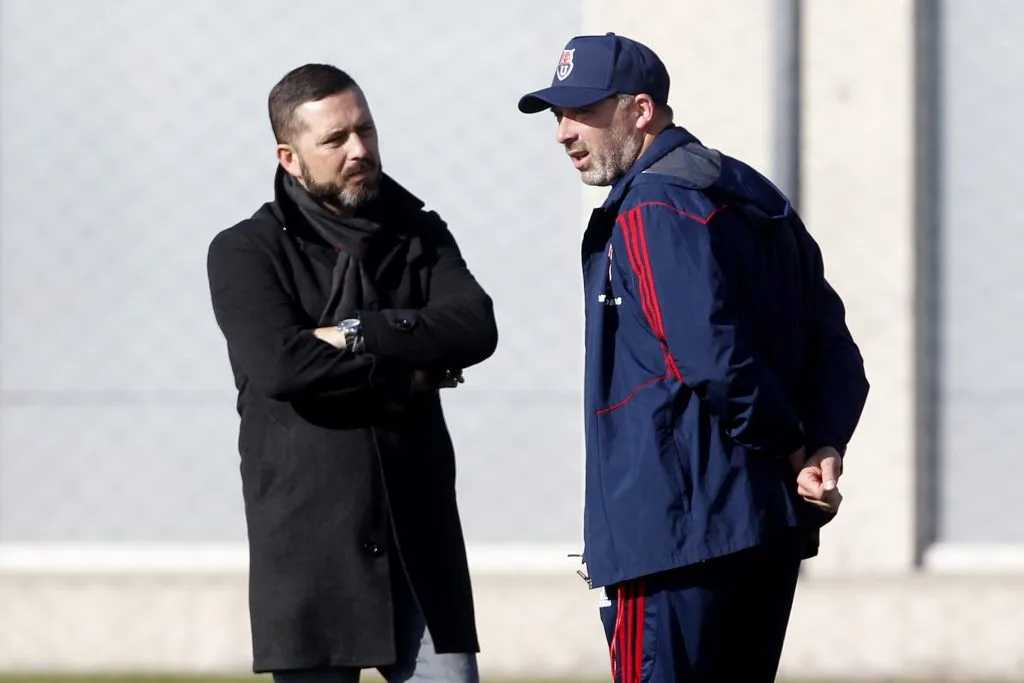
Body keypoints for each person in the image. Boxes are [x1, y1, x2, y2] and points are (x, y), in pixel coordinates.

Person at [518, 33, 869, 682]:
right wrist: (823, 445)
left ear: (641, 110)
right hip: (763, 525)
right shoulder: (751, 194)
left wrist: (796, 446)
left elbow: (710, 356)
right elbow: (837, 351)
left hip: (674, 532)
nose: (564, 132)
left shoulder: (652, 204)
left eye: (583, 111)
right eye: (558, 115)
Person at [206, 63, 497, 683]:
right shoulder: (244, 251)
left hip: (420, 548)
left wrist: (357, 332)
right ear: (289, 158)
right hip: (309, 553)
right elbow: (283, 366)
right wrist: (408, 373)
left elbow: (474, 327)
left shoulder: (419, 233)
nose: (359, 149)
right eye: (335, 139)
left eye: (365, 130)